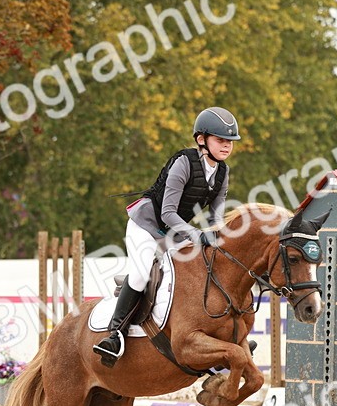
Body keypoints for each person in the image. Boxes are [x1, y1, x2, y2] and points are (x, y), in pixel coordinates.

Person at [93, 107, 239, 365]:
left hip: (175, 232)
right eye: (220, 140)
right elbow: (168, 212)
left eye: (229, 142)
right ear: (201, 140)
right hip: (147, 225)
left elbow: (216, 219)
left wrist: (222, 241)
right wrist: (196, 234)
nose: (226, 146)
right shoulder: (184, 162)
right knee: (140, 274)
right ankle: (115, 334)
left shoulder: (222, 173)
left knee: (200, 268)